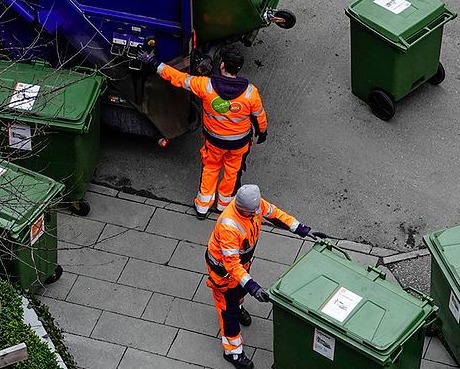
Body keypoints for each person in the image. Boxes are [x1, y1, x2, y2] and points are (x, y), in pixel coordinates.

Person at [204, 184, 327, 369]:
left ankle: (238, 307)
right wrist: (253, 287)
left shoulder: (254, 206)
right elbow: (231, 264)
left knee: (237, 295)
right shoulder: (229, 225)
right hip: (223, 273)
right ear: (241, 208)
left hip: (241, 265)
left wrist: (302, 229)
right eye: (252, 213)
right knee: (227, 312)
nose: (256, 215)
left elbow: (275, 215)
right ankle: (233, 352)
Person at [137, 48, 268, 219]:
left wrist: (152, 62)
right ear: (239, 68)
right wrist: (262, 132)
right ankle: (223, 205)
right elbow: (259, 116)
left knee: (210, 168)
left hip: (213, 142)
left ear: (221, 65)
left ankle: (202, 207)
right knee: (232, 172)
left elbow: (177, 78)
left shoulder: (205, 86)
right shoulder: (251, 92)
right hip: (239, 143)